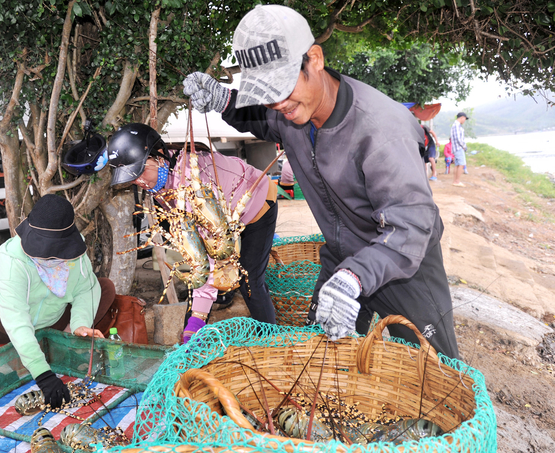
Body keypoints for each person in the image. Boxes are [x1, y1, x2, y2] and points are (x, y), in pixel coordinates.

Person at [182, 4, 459, 359]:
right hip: (342, 258)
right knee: (323, 365)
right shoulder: (291, 112)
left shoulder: (381, 131)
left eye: (282, 86)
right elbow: (261, 119)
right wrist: (224, 101)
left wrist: (355, 277)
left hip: (402, 264)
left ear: (315, 59)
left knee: (433, 379)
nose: (278, 103)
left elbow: (412, 227)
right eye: (266, 92)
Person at [101, 123, 278, 343]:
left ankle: (270, 340)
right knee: (209, 272)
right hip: (224, 220)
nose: (140, 181)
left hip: (257, 205)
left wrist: (197, 320)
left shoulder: (194, 183)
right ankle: (220, 297)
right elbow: (196, 254)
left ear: (160, 155)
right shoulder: (158, 184)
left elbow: (208, 254)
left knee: (250, 278)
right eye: (133, 177)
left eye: (141, 171)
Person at [0, 194, 116, 409]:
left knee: (104, 286)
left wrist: (79, 325)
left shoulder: (76, 256)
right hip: (7, 325)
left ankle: (66, 346)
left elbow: (85, 290)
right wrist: (43, 375)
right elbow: (17, 322)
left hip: (53, 321)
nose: (52, 257)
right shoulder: (9, 263)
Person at [450, 112, 469, 186]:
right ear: (462, 117)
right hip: (458, 147)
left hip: (455, 148)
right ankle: (457, 181)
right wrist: (464, 146)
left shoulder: (455, 125)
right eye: (464, 118)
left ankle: (455, 181)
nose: (464, 120)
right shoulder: (457, 125)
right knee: (462, 164)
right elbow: (458, 138)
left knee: (457, 165)